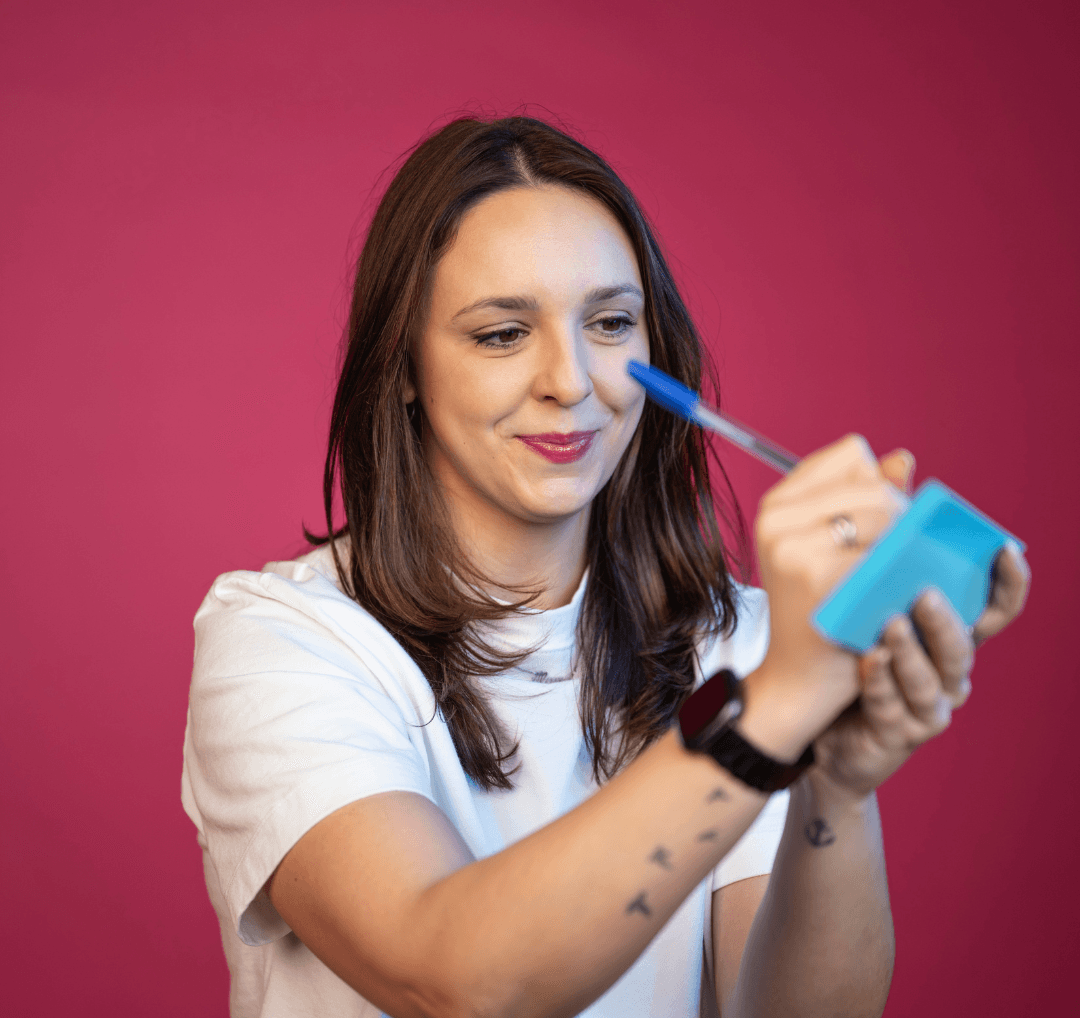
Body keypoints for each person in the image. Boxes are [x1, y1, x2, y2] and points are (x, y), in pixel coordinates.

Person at [180, 115, 1029, 1018]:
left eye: (611, 322)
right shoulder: (282, 641)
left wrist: (838, 786)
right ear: (404, 369)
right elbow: (458, 980)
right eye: (502, 334)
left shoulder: (742, 640)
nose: (572, 381)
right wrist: (774, 707)